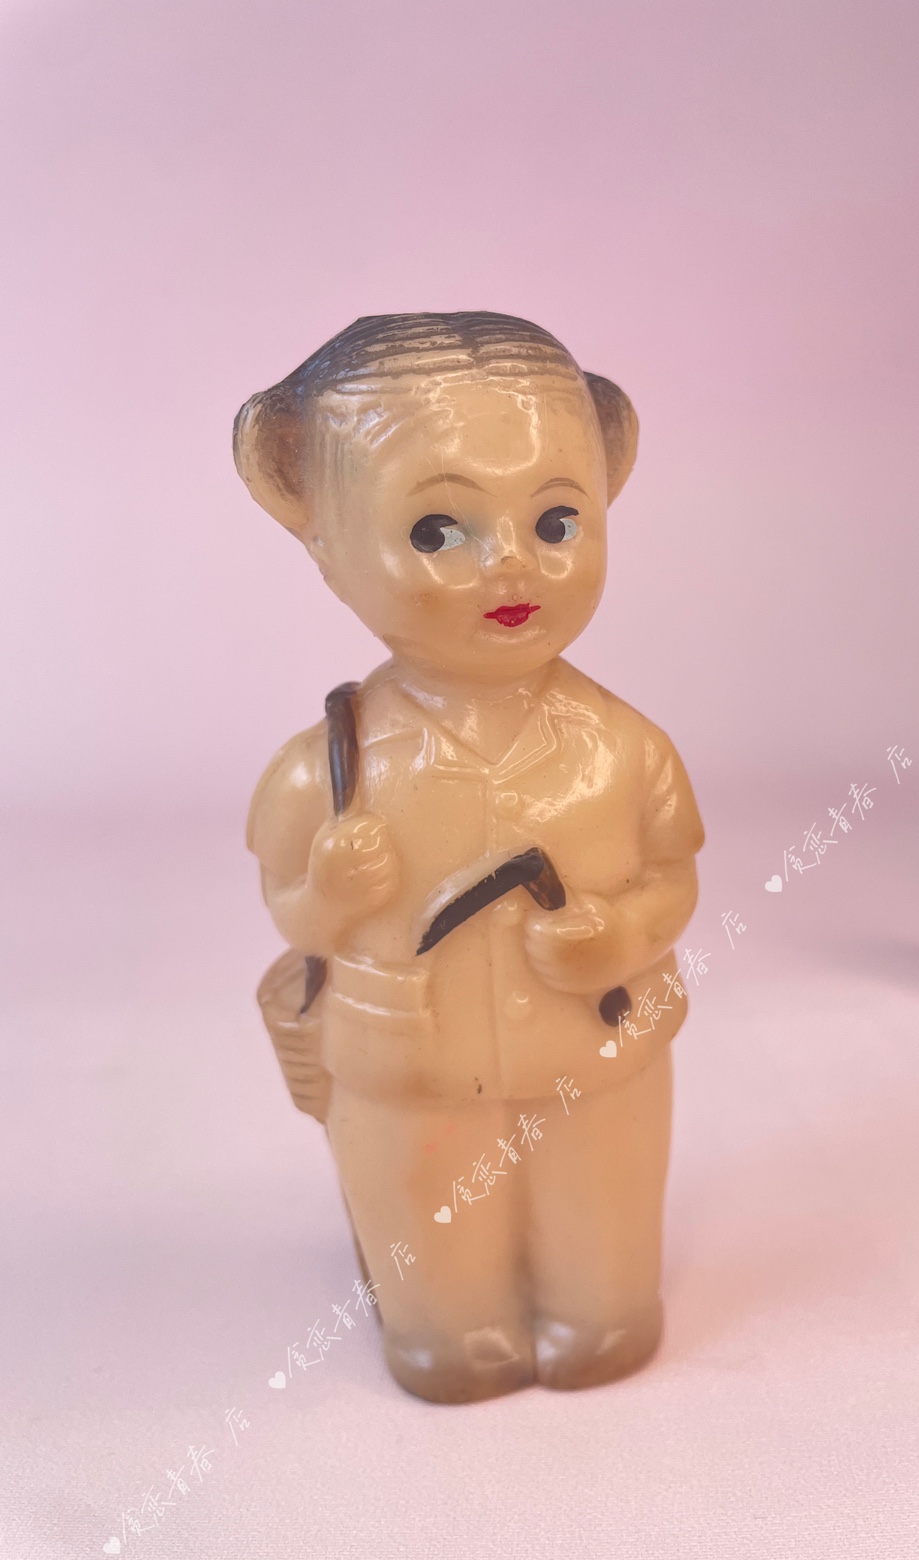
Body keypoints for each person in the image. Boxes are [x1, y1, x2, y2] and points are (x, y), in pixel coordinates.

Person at [238, 313, 704, 1403]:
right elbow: (288, 910)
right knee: (443, 1279)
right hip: (410, 1067)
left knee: (603, 1270)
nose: (512, 566)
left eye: (557, 520)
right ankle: (448, 1329)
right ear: (323, 541)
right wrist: (326, 895)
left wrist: (623, 933)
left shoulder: (624, 751)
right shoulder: (328, 769)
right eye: (439, 530)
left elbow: (672, 877)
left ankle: (601, 1311)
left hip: (596, 1053)